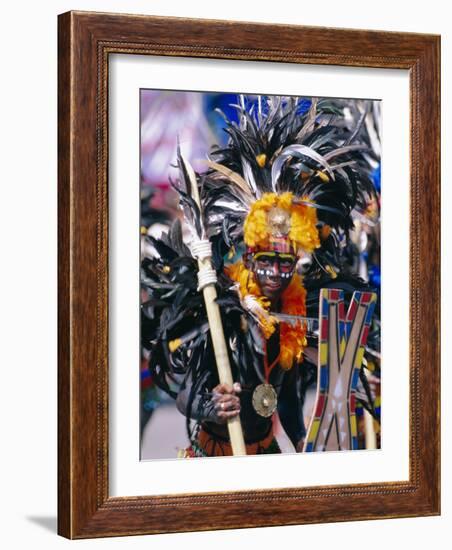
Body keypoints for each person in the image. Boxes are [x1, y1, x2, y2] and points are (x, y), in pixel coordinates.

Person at [141, 95, 380, 457]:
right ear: (249, 257)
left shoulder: (292, 317)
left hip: (266, 453)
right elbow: (185, 394)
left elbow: (285, 397)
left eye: (285, 262)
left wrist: (300, 439)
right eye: (266, 259)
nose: (275, 271)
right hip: (218, 455)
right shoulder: (222, 311)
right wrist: (211, 406)